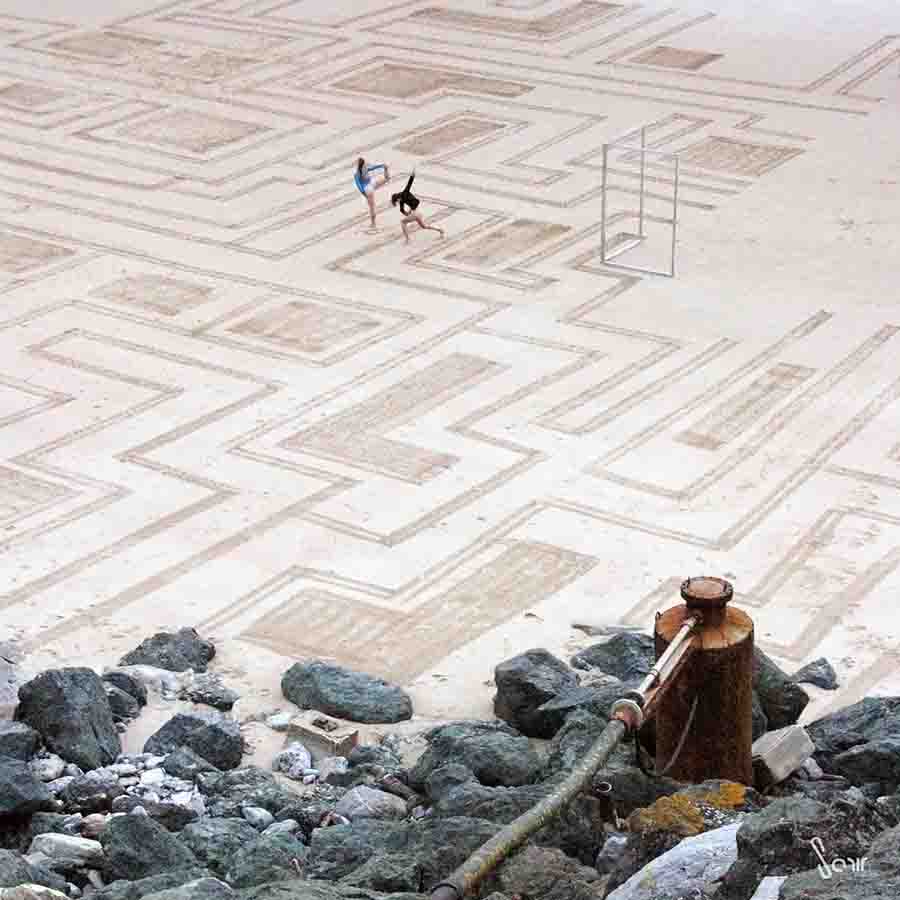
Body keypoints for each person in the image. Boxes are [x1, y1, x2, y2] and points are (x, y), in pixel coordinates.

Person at [391, 171, 444, 243]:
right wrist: (408, 214)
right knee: (424, 226)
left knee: (403, 222)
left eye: (397, 201)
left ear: (398, 198)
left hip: (416, 213)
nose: (398, 202)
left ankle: (407, 239)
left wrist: (412, 175)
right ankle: (440, 230)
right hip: (417, 212)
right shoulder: (401, 199)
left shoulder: (404, 193)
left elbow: (409, 184)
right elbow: (402, 210)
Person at [354, 157, 389, 228]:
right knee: (386, 179)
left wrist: (365, 195)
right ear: (363, 164)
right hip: (372, 183)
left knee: (372, 207)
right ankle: (386, 169)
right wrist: (382, 166)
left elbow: (359, 186)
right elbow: (373, 167)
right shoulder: (365, 169)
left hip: (368, 189)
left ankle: (373, 224)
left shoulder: (357, 174)